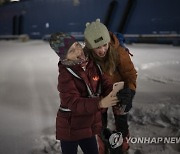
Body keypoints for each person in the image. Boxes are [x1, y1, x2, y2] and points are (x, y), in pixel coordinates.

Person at [49, 32, 119, 154]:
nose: (78, 51)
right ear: (65, 57)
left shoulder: (92, 63)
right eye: (71, 51)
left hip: (88, 125)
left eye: (77, 45)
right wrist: (100, 103)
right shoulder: (65, 75)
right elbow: (73, 103)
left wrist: (116, 91)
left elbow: (105, 84)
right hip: (70, 128)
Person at [83, 19, 137, 154]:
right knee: (99, 125)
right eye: (97, 47)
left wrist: (129, 92)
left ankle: (122, 148)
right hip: (99, 94)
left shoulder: (119, 52)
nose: (102, 50)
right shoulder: (85, 58)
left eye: (105, 45)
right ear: (90, 47)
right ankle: (103, 148)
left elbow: (130, 74)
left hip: (118, 91)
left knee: (121, 122)